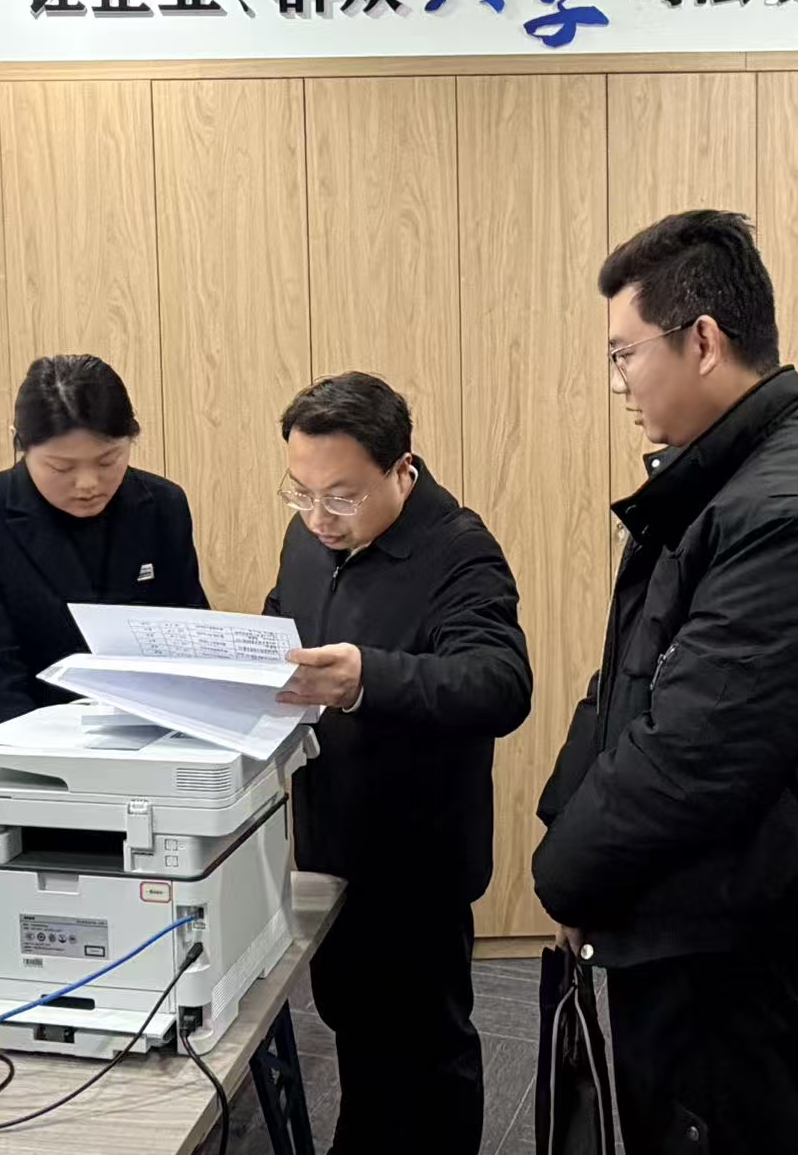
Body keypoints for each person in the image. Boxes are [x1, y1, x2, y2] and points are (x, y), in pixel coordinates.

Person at [533, 211, 798, 1154]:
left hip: (723, 950)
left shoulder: (790, 517)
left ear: (701, 340)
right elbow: (629, 679)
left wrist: (565, 872)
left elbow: (692, 760)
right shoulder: (728, 479)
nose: (618, 383)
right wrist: (569, 828)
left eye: (623, 354)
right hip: (683, 921)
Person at [265, 373, 531, 1155]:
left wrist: (365, 679)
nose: (319, 517)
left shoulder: (458, 550)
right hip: (332, 837)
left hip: (417, 857)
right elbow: (284, 617)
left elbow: (498, 683)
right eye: (302, 493)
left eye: (341, 497)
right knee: (355, 1029)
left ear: (401, 470)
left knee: (426, 1047)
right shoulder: (309, 539)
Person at [0, 354, 207, 755]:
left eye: (108, 460)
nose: (88, 484)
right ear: (20, 443)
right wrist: (58, 767)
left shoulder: (163, 505)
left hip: (142, 749)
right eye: (61, 467)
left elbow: (187, 641)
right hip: (11, 747)